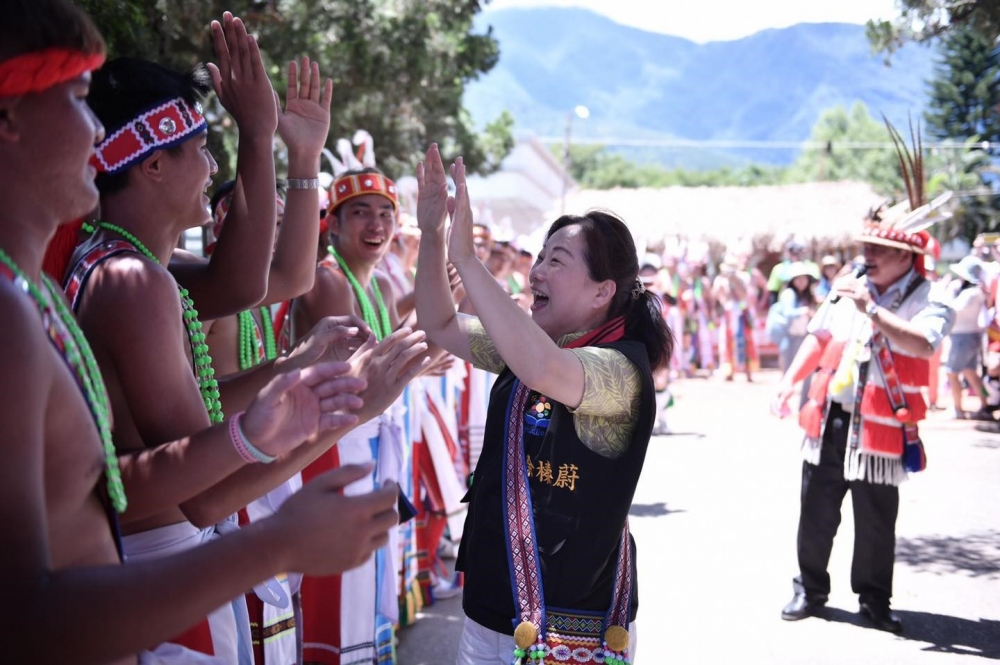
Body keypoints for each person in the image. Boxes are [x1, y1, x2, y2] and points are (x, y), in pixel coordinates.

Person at [0, 2, 400, 662]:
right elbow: (199, 500)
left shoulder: (60, 283)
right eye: (76, 98)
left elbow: (264, 279)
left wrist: (275, 139)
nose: (93, 127)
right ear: (10, 117)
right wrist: (279, 525)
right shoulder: (118, 279)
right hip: (158, 589)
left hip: (151, 590)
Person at [415, 145, 673, 664]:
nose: (537, 271)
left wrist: (467, 258)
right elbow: (440, 324)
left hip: (569, 623)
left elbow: (544, 372)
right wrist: (431, 235)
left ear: (603, 292)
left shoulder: (619, 369)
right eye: (539, 256)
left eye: (556, 260)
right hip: (493, 604)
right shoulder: (530, 345)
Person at [773, 182, 955, 633]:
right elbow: (820, 338)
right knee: (815, 511)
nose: (868, 254)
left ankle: (874, 599)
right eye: (867, 246)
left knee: (876, 521)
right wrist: (787, 382)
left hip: (881, 424)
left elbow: (925, 345)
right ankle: (809, 589)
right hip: (832, 415)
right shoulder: (849, 287)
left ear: (907, 256)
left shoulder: (930, 297)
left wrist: (872, 310)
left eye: (880, 248)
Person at [943, 255, 987, 420]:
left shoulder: (971, 293)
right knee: (970, 373)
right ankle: (984, 403)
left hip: (963, 337)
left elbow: (954, 309)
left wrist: (948, 291)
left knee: (951, 373)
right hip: (968, 336)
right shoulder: (974, 292)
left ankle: (958, 408)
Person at [766, 261, 818, 374]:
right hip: (789, 336)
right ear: (792, 280)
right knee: (788, 368)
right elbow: (788, 314)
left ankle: (804, 392)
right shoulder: (789, 294)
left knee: (806, 368)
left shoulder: (807, 295)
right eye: (798, 278)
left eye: (804, 278)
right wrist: (804, 311)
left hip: (802, 335)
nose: (801, 281)